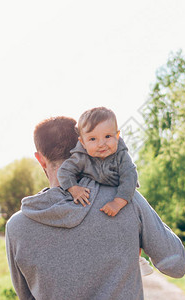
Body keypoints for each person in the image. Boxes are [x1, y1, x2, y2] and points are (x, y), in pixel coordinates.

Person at [5, 116, 185, 300]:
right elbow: (176, 265)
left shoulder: (17, 227)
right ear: (83, 147)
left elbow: (26, 296)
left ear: (40, 159)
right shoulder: (125, 200)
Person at [57, 107, 153, 276]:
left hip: (121, 192)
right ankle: (100, 261)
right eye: (93, 139)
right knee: (99, 224)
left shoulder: (122, 157)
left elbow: (129, 178)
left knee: (130, 220)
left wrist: (118, 201)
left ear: (117, 135)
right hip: (97, 193)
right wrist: (74, 188)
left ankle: (137, 257)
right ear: (83, 142)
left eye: (108, 137)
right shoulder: (81, 157)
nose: (101, 144)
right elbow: (64, 172)